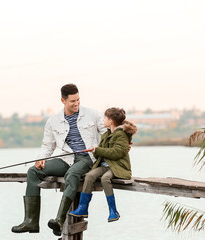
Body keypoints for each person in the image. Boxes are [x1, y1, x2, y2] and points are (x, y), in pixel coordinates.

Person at [11, 84, 106, 236]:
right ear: (63, 100)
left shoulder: (93, 114)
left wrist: (121, 142)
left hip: (88, 158)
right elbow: (47, 145)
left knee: (72, 174)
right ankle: (31, 221)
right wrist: (41, 159)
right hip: (67, 157)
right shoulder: (53, 121)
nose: (76, 104)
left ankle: (59, 220)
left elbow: (107, 133)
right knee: (33, 171)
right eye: (72, 101)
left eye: (78, 100)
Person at [68, 107, 137, 222]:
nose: (103, 120)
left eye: (105, 118)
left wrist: (99, 150)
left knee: (105, 179)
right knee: (89, 176)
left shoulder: (121, 135)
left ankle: (113, 211)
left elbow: (116, 153)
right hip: (105, 165)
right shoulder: (106, 134)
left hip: (118, 166)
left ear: (111, 121)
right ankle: (83, 208)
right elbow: (101, 154)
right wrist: (95, 151)